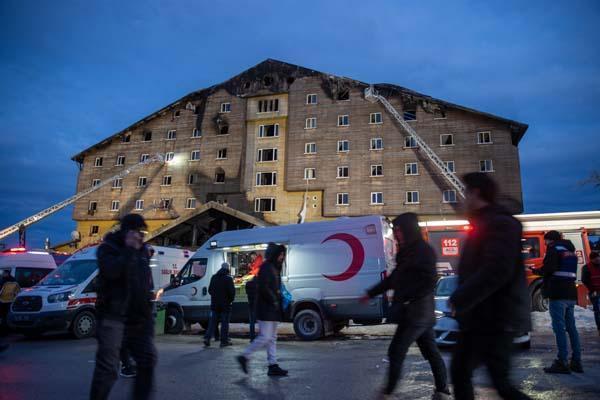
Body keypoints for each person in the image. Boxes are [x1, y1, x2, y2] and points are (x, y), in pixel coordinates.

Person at [449, 172, 532, 400]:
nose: (463, 199)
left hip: (496, 317)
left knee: (495, 382)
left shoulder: (500, 224)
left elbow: (497, 270)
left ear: (475, 193)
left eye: (465, 193)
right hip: (481, 316)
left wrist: (460, 297)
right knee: (464, 373)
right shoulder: (485, 223)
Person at [361, 213, 450, 400]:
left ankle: (388, 393)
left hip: (416, 312)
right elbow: (395, 279)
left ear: (409, 230)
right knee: (431, 351)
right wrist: (371, 293)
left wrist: (410, 297)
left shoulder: (423, 251)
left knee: (396, 350)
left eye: (399, 230)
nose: (397, 234)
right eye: (396, 230)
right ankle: (443, 390)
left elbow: (429, 280)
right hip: (417, 312)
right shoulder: (407, 251)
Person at [90, 214, 157, 400]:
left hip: (138, 319)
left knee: (147, 361)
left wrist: (148, 317)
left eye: (143, 232)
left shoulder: (143, 251)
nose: (141, 236)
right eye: (138, 232)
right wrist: (128, 250)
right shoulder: (108, 248)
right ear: (128, 231)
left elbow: (143, 284)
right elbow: (112, 273)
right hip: (113, 317)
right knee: (108, 369)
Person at [535, 230, 583, 373]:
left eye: (546, 241)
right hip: (570, 293)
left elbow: (549, 269)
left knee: (559, 328)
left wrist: (537, 271)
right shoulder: (570, 251)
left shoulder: (553, 249)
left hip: (557, 293)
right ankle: (576, 361)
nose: (545, 243)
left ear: (550, 240)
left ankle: (562, 361)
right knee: (571, 328)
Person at [237, 243, 288, 377]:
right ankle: (245, 356)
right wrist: (274, 300)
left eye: (283, 254)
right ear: (275, 254)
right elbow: (264, 288)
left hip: (271, 307)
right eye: (280, 254)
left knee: (272, 338)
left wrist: (277, 300)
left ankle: (273, 365)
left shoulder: (274, 268)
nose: (282, 257)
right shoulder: (267, 267)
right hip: (265, 307)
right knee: (266, 336)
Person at [204, 262, 235, 348]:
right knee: (224, 323)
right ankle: (223, 341)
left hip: (215, 304)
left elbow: (210, 290)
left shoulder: (214, 277)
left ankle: (207, 338)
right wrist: (230, 300)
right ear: (228, 269)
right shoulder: (228, 279)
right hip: (225, 305)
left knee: (213, 322)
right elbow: (232, 292)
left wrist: (215, 297)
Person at [582, 251, 600, 335]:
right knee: (597, 310)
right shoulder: (587, 267)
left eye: (598, 257)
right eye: (595, 258)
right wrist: (592, 290)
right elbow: (585, 280)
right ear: (591, 259)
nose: (597, 259)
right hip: (594, 292)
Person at [245, 275, 257, 342]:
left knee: (252, 322)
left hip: (251, 304)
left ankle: (252, 338)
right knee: (262, 322)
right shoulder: (260, 284)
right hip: (258, 305)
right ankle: (262, 338)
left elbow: (247, 292)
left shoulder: (248, 284)